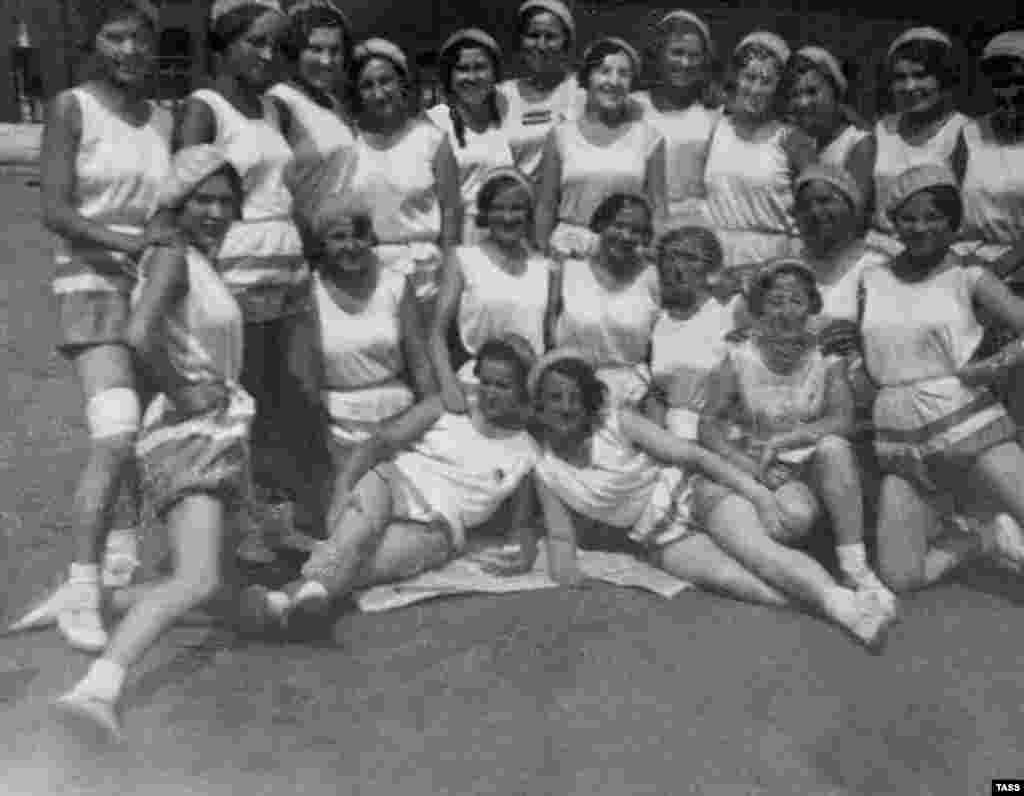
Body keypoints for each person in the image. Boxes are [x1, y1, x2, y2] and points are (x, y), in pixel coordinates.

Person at [53, 145, 255, 741]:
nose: (216, 211)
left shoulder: (197, 257)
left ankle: (98, 602)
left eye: (225, 201)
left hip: (217, 430)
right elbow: (138, 335)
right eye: (204, 200)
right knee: (196, 580)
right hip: (189, 435)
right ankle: (98, 686)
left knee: (223, 577)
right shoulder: (171, 255)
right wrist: (185, 393)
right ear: (179, 202)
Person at [531, 349, 895, 650]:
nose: (566, 407)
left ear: (588, 401)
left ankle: (846, 608)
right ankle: (841, 600)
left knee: (761, 555)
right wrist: (566, 588)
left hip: (694, 492)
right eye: (555, 398)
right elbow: (561, 537)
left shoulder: (618, 422)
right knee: (755, 588)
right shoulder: (546, 470)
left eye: (574, 397)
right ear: (540, 407)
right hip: (660, 538)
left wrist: (758, 496)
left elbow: (694, 456)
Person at [35, 0, 172, 652]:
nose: (128, 51)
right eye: (115, 38)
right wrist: (123, 241)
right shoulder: (71, 107)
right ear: (95, 42)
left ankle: (118, 564)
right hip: (91, 287)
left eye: (139, 40)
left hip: (152, 290)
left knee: (142, 435)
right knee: (115, 431)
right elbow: (55, 210)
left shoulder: (163, 119)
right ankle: (82, 587)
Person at [244, 339, 540, 634]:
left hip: (438, 528)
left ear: (524, 390)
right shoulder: (448, 407)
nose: (489, 393)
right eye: (484, 382)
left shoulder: (526, 452)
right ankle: (310, 601)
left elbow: (522, 524)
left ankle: (283, 600)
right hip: (392, 482)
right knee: (356, 538)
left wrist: (525, 550)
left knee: (369, 561)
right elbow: (379, 443)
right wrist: (343, 487)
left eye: (503, 386)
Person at [177, 0, 317, 560]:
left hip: (285, 276)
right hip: (234, 277)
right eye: (255, 42)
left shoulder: (271, 108)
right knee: (239, 404)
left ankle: (272, 523)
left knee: (281, 404)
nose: (267, 55)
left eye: (275, 45)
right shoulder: (204, 108)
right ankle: (232, 534)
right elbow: (186, 192)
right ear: (225, 42)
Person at [858, 164, 1024, 592]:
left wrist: (995, 366)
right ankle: (983, 538)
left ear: (953, 223)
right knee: (900, 575)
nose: (920, 227)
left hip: (967, 423)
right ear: (894, 222)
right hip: (898, 438)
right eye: (909, 217)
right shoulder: (871, 279)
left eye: (933, 216)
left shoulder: (969, 275)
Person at [698, 259, 893, 606]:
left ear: (811, 307)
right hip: (769, 470)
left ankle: (855, 567)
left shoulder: (825, 355)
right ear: (758, 309)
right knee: (793, 520)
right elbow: (708, 426)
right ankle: (808, 557)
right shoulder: (740, 357)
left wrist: (787, 439)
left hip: (817, 464)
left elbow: (842, 418)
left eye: (796, 301)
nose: (787, 312)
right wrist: (750, 465)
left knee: (834, 446)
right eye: (775, 301)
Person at [308, 196, 437, 475]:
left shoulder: (396, 285)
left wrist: (434, 427)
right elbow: (305, 380)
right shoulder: (308, 293)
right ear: (322, 244)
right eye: (339, 237)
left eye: (360, 235)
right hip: (336, 429)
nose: (351, 246)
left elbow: (422, 366)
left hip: (399, 424)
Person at [340, 37, 461, 325]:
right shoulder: (346, 143)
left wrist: (450, 281)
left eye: (386, 81)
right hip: (365, 273)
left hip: (424, 278)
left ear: (402, 83)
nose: (379, 93)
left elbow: (451, 214)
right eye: (367, 86)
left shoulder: (432, 140)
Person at [430, 167, 553, 413]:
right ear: (484, 212)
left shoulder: (546, 267)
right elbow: (437, 335)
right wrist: (448, 385)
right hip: (478, 386)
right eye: (498, 208)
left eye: (516, 208)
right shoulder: (463, 259)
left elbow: (551, 340)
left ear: (528, 214)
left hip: (529, 389)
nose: (508, 218)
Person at [535, 36, 667, 259]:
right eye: (604, 71)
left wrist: (653, 253)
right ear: (587, 77)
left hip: (625, 251)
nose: (613, 82)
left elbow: (658, 209)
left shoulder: (650, 138)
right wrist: (542, 252)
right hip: (568, 251)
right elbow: (545, 206)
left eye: (623, 74)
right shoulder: (560, 136)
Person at [703, 31, 816, 273]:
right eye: (749, 77)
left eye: (766, 81)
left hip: (772, 261)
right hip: (716, 259)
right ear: (737, 78)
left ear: (779, 87)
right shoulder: (715, 127)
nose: (755, 89)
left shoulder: (792, 139)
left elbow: (812, 207)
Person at [955, 31, 1024, 425]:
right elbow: (950, 206)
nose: (1009, 91)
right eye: (1000, 81)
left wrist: (993, 274)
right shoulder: (971, 135)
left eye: (1018, 80)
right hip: (974, 267)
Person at [550, 193, 661, 408]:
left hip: (632, 397)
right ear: (600, 224)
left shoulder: (652, 278)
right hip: (571, 391)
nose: (626, 236)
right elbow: (550, 323)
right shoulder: (569, 271)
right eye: (618, 225)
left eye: (636, 230)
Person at [870, 27, 968, 254]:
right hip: (878, 250)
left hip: (936, 253)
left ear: (942, 79)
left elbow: (964, 215)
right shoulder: (883, 129)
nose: (909, 87)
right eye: (900, 78)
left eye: (920, 75)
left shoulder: (963, 132)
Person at [644, 225, 745, 442]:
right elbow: (657, 395)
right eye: (670, 258)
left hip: (719, 437)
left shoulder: (731, 314)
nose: (678, 267)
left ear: (713, 270)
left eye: (690, 258)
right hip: (670, 438)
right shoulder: (659, 322)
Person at [268, 0, 356, 243]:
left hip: (339, 244)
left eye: (335, 50)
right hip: (301, 244)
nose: (326, 60)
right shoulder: (280, 102)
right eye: (315, 49)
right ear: (295, 52)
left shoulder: (333, 104)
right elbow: (270, 186)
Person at [631, 10, 722, 229]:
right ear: (660, 53)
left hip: (695, 224)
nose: (685, 63)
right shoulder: (634, 107)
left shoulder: (713, 114)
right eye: (677, 52)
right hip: (640, 222)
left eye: (694, 55)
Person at [427, 29, 515, 245]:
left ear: (495, 72)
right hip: (459, 235)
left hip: (509, 231)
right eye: (463, 69)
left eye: (480, 67)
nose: (472, 77)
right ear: (450, 75)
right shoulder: (434, 122)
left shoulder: (509, 112)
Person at [498, 0, 585, 183]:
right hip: (514, 207)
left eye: (551, 37)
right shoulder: (502, 96)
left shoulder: (582, 92)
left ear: (566, 42)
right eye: (533, 35)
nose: (541, 45)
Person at [782, 45, 875, 204]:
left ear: (835, 91)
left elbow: (852, 212)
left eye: (812, 92)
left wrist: (805, 164)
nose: (803, 103)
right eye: (795, 94)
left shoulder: (858, 143)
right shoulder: (797, 138)